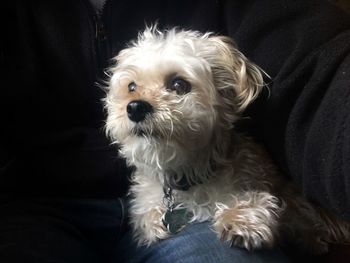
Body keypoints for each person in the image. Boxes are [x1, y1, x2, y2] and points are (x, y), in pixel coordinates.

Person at [1, 0, 349, 262]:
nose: (138, 104)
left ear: (226, 95)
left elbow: (317, 66)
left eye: (178, 85)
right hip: (35, 208)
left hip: (208, 218)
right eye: (132, 88)